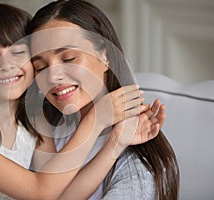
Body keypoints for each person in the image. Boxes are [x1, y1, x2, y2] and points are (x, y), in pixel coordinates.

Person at [0, 3, 162, 200]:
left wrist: (115, 143)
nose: (6, 65)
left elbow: (61, 196)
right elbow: (40, 190)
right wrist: (96, 119)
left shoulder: (34, 124)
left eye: (18, 52)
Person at [27, 0, 179, 199]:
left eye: (69, 58)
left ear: (105, 55)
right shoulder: (39, 129)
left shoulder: (136, 164)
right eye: (40, 67)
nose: (53, 76)